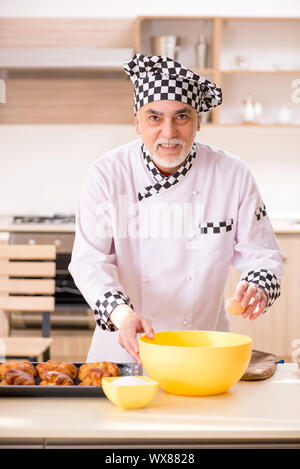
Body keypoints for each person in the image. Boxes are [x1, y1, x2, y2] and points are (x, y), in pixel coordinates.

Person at [69, 54, 283, 365]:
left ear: (198, 121)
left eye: (181, 117)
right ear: (137, 122)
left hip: (202, 350)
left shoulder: (232, 174)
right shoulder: (107, 174)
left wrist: (259, 283)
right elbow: (89, 263)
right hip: (125, 350)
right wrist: (122, 314)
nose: (168, 133)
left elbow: (264, 254)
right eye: (154, 117)